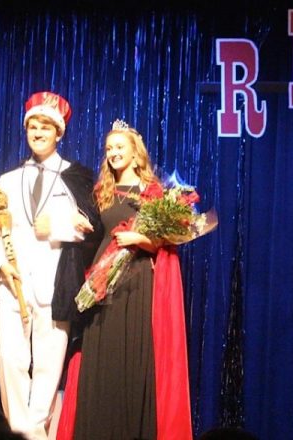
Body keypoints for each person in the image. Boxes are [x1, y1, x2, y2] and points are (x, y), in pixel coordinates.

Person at [0, 91, 102, 440]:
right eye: (32, 126)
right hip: (13, 286)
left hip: (54, 286)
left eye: (45, 127)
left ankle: (33, 431)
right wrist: (0, 267)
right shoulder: (8, 179)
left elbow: (92, 229)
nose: (38, 132)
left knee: (47, 365)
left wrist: (55, 227)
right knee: (8, 358)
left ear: (59, 133)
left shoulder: (76, 178)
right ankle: (23, 432)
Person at [59, 120, 192, 440]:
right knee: (101, 354)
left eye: (120, 147)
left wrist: (138, 238)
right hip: (103, 281)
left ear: (136, 154)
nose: (113, 153)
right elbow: (92, 235)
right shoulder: (101, 191)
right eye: (109, 149)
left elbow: (163, 242)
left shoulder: (154, 194)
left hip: (137, 279)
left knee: (132, 355)